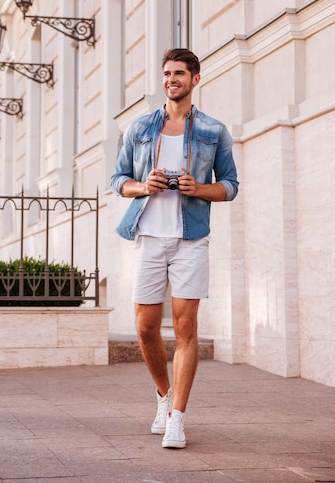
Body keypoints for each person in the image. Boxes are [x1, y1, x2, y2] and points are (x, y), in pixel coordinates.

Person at [111, 48, 238, 449]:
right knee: (146, 328)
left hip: (190, 238)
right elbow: (118, 178)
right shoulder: (139, 128)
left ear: (195, 79)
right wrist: (141, 185)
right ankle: (163, 397)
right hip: (148, 235)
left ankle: (178, 419)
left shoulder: (214, 131)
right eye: (167, 73)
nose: (172, 79)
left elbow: (231, 185)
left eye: (180, 73)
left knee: (185, 327)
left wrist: (197, 188)